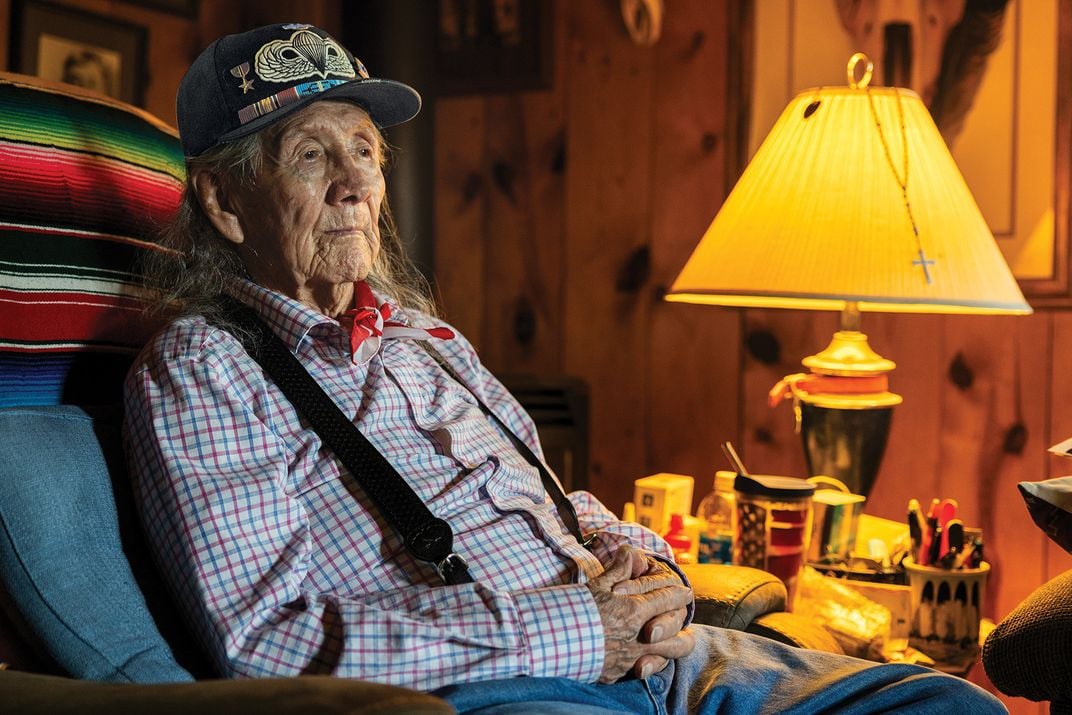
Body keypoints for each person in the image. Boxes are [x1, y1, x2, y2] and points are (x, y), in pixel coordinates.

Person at [124, 23, 1005, 714]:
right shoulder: (205, 367)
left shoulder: (423, 338)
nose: (356, 182)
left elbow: (558, 503)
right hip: (498, 690)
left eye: (364, 148)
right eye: (312, 154)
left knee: (943, 700)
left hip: (660, 654)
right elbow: (268, 642)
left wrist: (651, 567)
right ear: (224, 202)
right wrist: (584, 629)